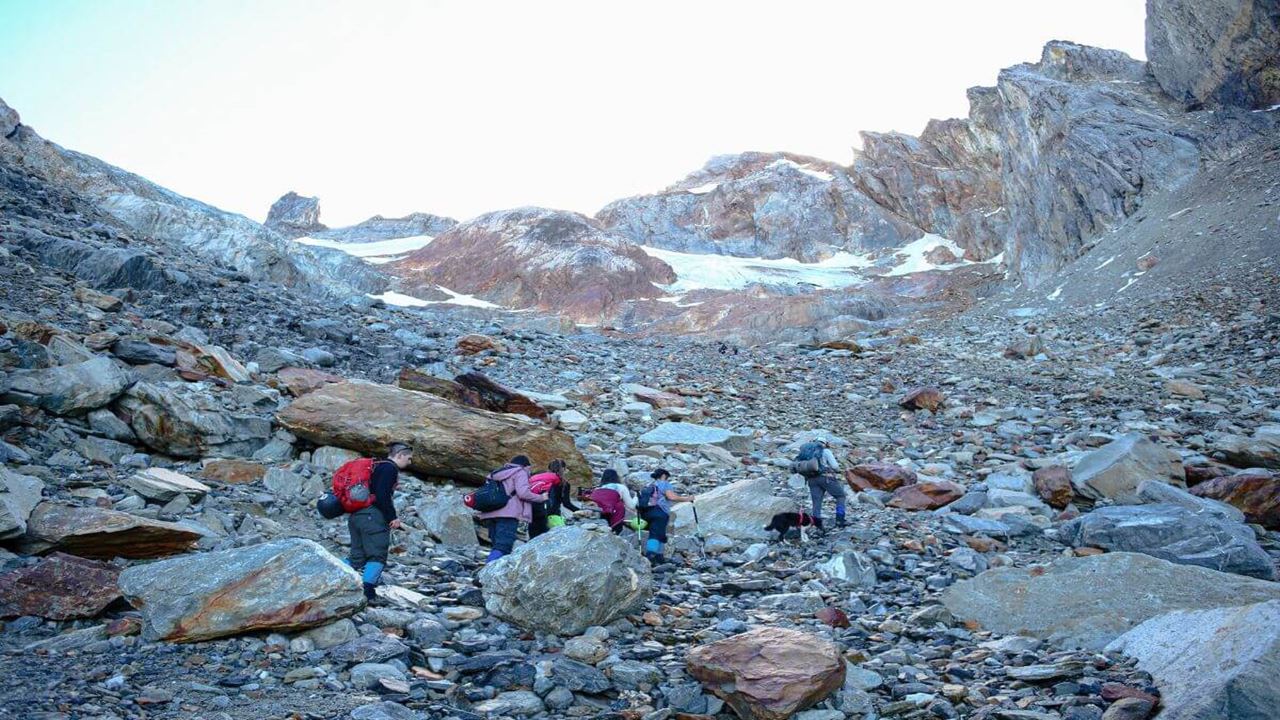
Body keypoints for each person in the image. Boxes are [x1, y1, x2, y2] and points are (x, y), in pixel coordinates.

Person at [349, 442, 412, 604]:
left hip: (357, 515)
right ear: (400, 455)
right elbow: (382, 495)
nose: (410, 462)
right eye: (408, 458)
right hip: (373, 518)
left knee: (357, 557)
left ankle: (329, 576)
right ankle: (368, 593)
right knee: (377, 555)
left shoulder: (376, 466)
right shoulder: (389, 468)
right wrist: (392, 517)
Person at [477, 455, 546, 562]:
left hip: (490, 513)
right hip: (508, 514)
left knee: (496, 545)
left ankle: (493, 571)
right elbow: (523, 493)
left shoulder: (495, 473)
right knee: (503, 546)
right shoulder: (520, 472)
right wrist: (541, 498)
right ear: (526, 466)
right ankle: (486, 571)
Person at [638, 468, 695, 565]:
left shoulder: (649, 485)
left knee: (659, 533)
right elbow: (671, 497)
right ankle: (650, 556)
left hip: (645, 512)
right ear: (664, 475)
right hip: (659, 512)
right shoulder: (664, 484)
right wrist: (687, 499)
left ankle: (659, 557)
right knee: (655, 534)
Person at [797, 439, 846, 527]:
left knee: (816, 503)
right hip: (826, 478)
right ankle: (840, 519)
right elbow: (835, 466)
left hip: (811, 480)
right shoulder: (826, 451)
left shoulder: (808, 452)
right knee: (840, 496)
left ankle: (818, 526)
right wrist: (838, 471)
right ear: (825, 443)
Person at [528, 459, 580, 538]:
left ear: (548, 468)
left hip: (533, 512)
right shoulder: (563, 483)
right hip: (553, 517)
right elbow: (566, 504)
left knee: (533, 539)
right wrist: (580, 511)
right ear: (563, 469)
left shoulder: (538, 478)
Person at [586, 468, 641, 535]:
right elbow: (631, 506)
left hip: (599, 515)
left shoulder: (598, 488)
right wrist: (636, 497)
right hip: (614, 514)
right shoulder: (621, 487)